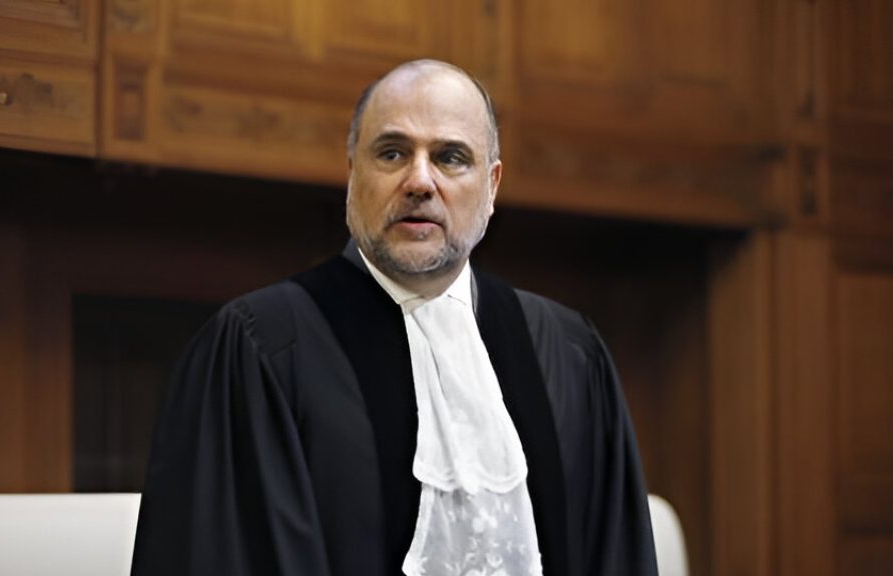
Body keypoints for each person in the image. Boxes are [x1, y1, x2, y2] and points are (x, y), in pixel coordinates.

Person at [130, 59, 658, 576]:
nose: (419, 181)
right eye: (392, 153)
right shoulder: (260, 348)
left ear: (492, 185)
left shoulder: (567, 354)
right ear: (352, 173)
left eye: (451, 157)